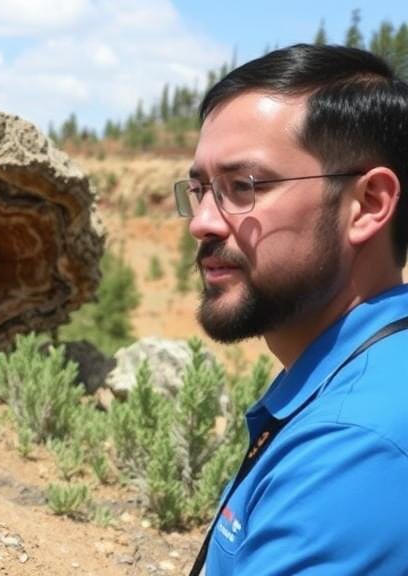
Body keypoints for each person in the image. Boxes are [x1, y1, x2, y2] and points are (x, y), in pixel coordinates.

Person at [173, 43, 408, 574]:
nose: (202, 222)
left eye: (244, 186)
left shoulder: (357, 450)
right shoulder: (354, 376)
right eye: (200, 189)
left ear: (368, 205)